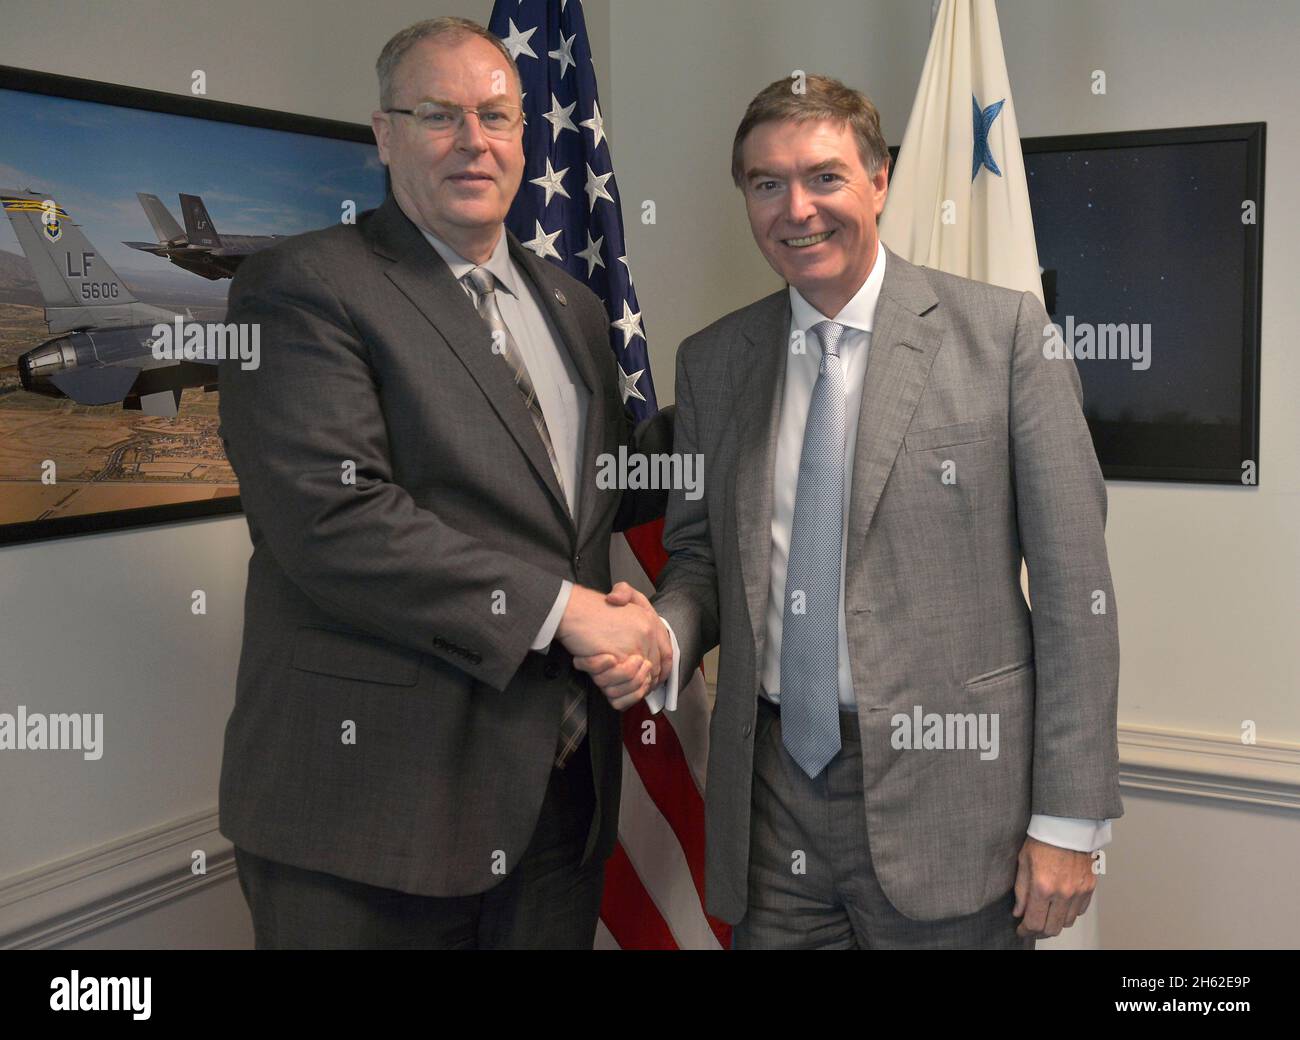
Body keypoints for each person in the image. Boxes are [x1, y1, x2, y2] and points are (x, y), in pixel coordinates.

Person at [580, 74, 1122, 949]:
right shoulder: (716, 361)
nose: (798, 209)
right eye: (767, 184)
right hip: (772, 809)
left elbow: (1075, 596)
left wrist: (1069, 821)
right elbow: (701, 559)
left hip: (953, 804)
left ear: (878, 180)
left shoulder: (1008, 336)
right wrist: (667, 634)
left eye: (824, 177)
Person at [216, 16, 671, 949]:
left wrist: (763, 386)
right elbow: (332, 519)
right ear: (383, 133)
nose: (476, 141)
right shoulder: (301, 286)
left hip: (557, 801)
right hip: (373, 819)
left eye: (498, 117)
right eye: (440, 115)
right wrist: (570, 612)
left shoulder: (572, 307)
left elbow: (595, 492)